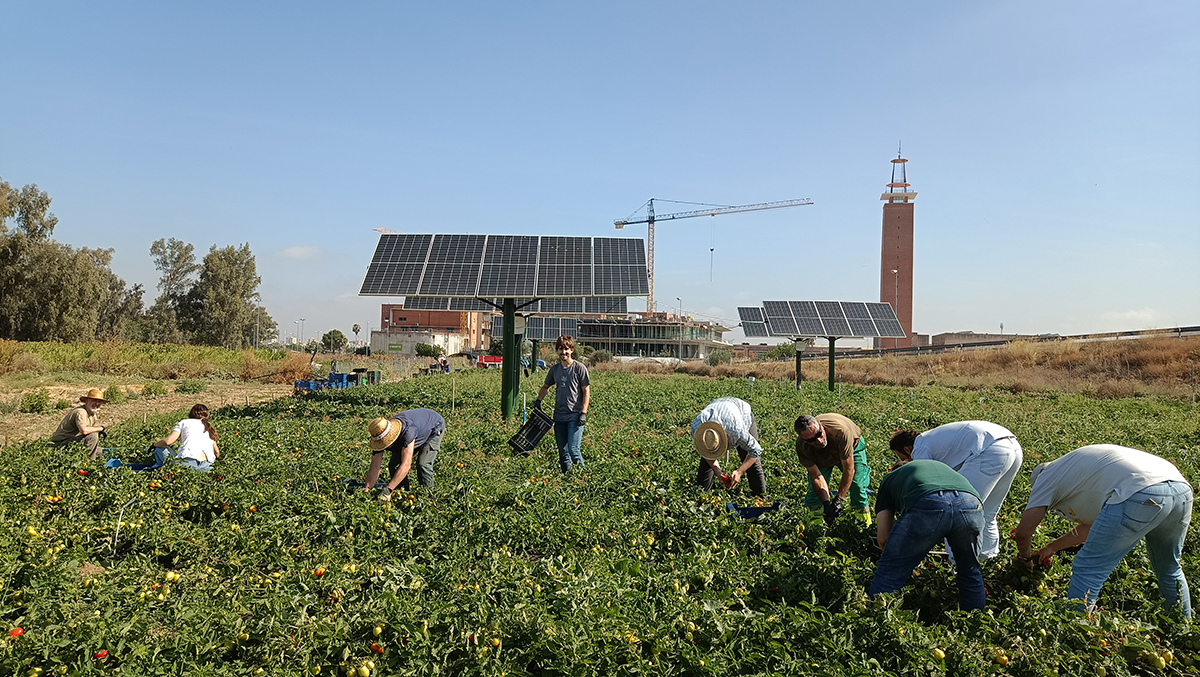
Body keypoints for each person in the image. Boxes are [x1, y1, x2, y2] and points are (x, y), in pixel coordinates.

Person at [1013, 444, 1192, 618]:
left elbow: (1023, 532)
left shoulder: (1046, 478)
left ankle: (1076, 628)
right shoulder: (1077, 469)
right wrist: (1051, 548)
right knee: (1169, 567)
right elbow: (1094, 527)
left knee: (1088, 567)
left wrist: (1025, 558)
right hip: (1180, 490)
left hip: (1140, 492)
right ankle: (1183, 628)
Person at [889, 421, 1022, 560]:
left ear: (907, 450)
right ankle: (989, 561)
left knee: (956, 514)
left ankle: (959, 568)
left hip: (989, 450)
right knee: (988, 512)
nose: (905, 463)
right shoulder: (934, 440)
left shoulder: (919, 447)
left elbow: (924, 481)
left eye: (903, 459)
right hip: (1011, 446)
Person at [869, 459, 986, 610]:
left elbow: (884, 538)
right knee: (970, 570)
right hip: (971, 503)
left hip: (928, 502)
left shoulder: (890, 480)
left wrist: (902, 558)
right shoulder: (940, 468)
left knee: (889, 572)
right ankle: (974, 625)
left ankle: (874, 624)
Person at [795, 413, 872, 525]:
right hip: (820, 454)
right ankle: (814, 527)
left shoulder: (841, 433)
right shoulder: (803, 446)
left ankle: (862, 526)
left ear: (821, 426)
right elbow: (816, 476)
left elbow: (849, 470)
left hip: (851, 447)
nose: (819, 441)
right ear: (803, 439)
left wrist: (839, 499)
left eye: (819, 434)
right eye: (811, 440)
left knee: (857, 485)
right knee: (815, 492)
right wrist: (826, 503)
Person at [534, 335, 590, 475]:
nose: (563, 352)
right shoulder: (555, 370)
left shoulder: (579, 368)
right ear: (557, 350)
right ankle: (568, 479)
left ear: (571, 350)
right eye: (560, 349)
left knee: (573, 450)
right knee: (563, 452)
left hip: (575, 416)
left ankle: (584, 479)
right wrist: (538, 401)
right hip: (559, 417)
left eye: (566, 349)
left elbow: (586, 391)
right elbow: (546, 386)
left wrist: (584, 412)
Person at [691, 397, 766, 496]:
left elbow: (755, 451)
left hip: (740, 410)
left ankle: (760, 498)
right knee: (707, 458)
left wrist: (739, 471)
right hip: (718, 405)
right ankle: (703, 498)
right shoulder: (698, 429)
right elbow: (706, 453)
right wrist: (718, 472)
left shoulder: (737, 431)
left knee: (750, 460)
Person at [365, 408, 444, 501]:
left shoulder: (408, 432)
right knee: (394, 465)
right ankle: (403, 493)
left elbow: (406, 465)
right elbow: (375, 466)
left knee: (423, 464)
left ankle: (428, 497)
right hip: (413, 433)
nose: (384, 446)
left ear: (392, 437)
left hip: (433, 428)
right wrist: (367, 489)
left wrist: (388, 489)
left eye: (385, 443)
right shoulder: (379, 432)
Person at [151, 404, 221, 472]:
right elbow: (217, 452)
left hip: (187, 463)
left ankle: (159, 469)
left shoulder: (184, 422)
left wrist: (155, 444)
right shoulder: (208, 427)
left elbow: (168, 442)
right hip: (206, 465)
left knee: (159, 449)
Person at [50, 388, 108, 460]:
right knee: (93, 436)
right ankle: (88, 464)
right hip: (58, 445)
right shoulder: (81, 412)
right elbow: (84, 431)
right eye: (94, 400)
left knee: (102, 451)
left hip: (71, 442)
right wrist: (101, 428)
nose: (97, 403)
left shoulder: (92, 415)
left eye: (99, 401)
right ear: (87, 401)